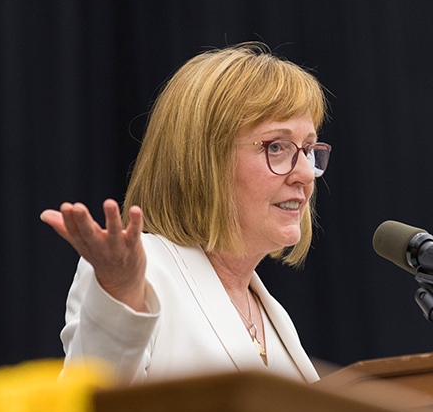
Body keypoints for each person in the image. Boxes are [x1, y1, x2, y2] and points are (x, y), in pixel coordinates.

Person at [40, 43, 330, 385]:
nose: (305, 174)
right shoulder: (140, 275)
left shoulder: (273, 315)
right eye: (277, 147)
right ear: (204, 161)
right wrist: (120, 294)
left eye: (308, 149)